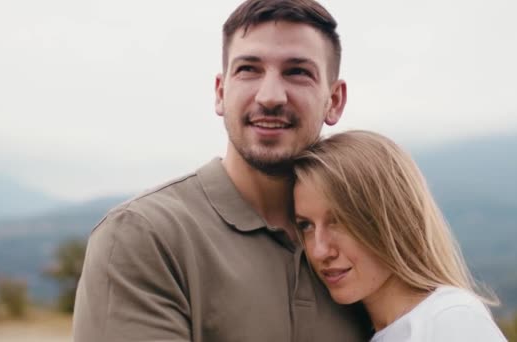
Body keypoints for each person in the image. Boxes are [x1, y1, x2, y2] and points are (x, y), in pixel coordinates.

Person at [73, 0, 370, 341]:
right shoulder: (145, 236)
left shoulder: (368, 244)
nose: (270, 96)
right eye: (248, 69)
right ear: (220, 92)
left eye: (297, 71)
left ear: (334, 100)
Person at [292, 130, 508, 342]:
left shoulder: (448, 318)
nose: (319, 251)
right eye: (306, 225)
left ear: (392, 219)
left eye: (339, 220)